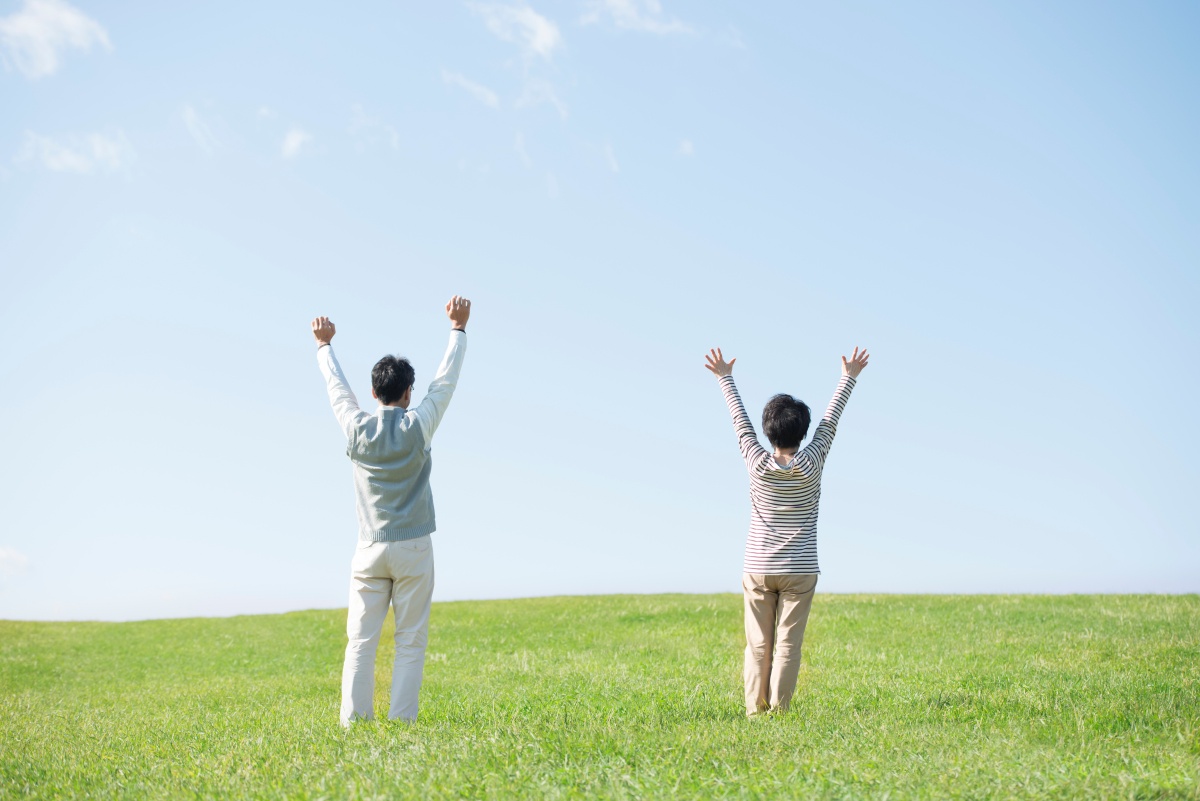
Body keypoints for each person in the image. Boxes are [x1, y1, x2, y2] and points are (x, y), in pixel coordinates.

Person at [311, 296, 471, 726]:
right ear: (407, 392)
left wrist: (324, 346)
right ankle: (401, 723)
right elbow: (446, 383)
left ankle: (354, 724)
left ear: (374, 393)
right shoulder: (419, 426)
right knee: (410, 642)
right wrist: (457, 329)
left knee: (360, 642)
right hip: (414, 546)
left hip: (369, 549)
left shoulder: (357, 428)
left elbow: (337, 391)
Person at [704, 345, 869, 716]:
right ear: (803, 432)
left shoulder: (756, 462)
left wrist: (725, 378)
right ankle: (779, 712)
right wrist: (848, 377)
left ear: (768, 431)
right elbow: (831, 421)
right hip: (800, 568)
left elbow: (740, 422)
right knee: (788, 646)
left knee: (758, 646)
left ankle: (754, 711)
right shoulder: (813, 460)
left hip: (758, 566)